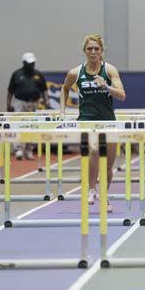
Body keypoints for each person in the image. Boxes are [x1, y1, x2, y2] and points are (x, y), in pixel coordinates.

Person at [60, 34, 126, 213]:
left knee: (108, 165)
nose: (93, 51)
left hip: (108, 121)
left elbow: (122, 95)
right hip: (86, 121)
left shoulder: (110, 70)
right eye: (90, 48)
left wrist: (107, 87)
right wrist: (62, 112)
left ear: (101, 51)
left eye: (96, 48)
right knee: (95, 151)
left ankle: (104, 196)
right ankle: (91, 189)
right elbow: (64, 89)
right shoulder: (76, 72)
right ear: (85, 51)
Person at [7, 52, 49, 160]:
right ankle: (19, 150)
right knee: (18, 125)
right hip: (19, 102)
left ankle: (29, 150)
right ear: (24, 63)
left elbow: (44, 89)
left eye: (33, 63)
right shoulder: (16, 74)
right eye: (29, 63)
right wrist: (8, 104)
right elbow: (10, 91)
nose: (32, 65)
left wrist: (46, 101)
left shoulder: (38, 75)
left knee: (32, 126)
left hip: (34, 103)